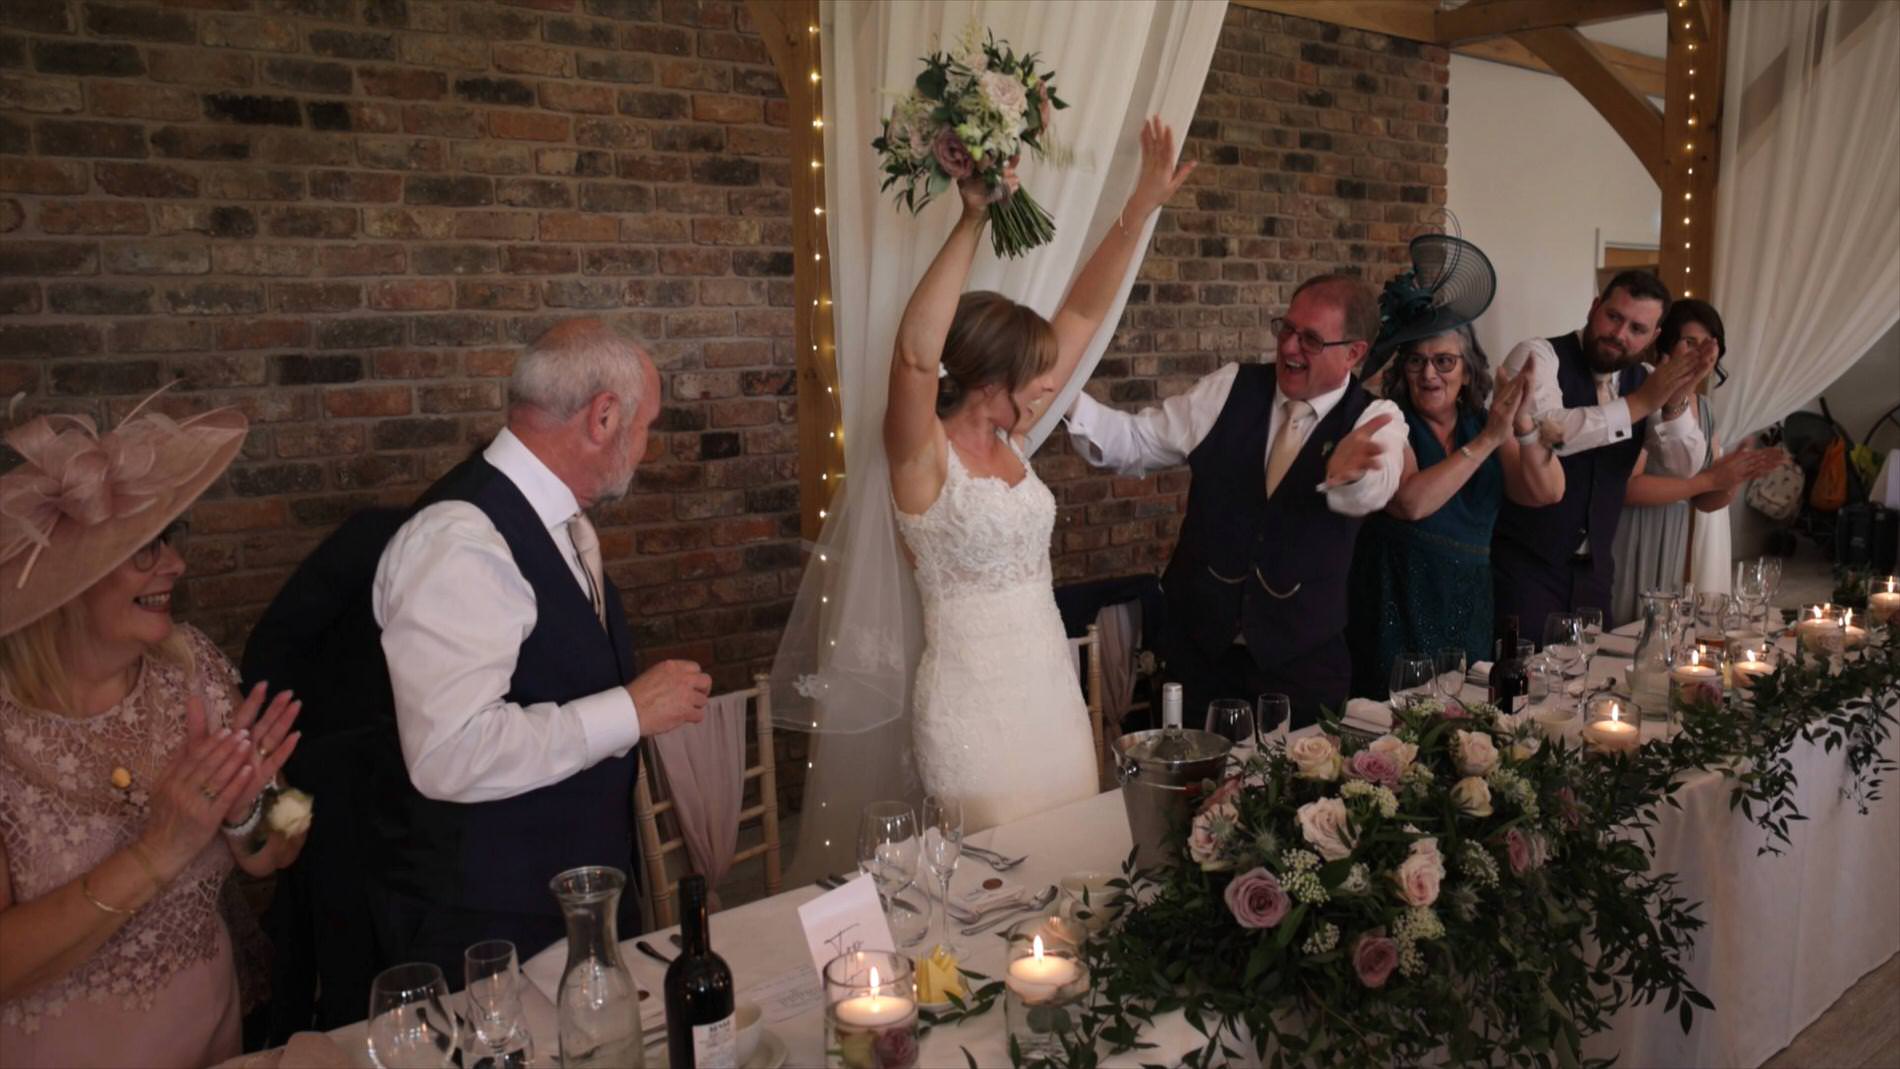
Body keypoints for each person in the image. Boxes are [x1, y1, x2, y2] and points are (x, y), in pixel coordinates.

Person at [369, 319, 711, 981]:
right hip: (490, 932)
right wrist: (629, 711)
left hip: (573, 910)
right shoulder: (460, 538)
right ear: (604, 417)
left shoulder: (558, 518)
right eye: (647, 425)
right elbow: (449, 752)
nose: (647, 446)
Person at [885, 117, 1194, 830]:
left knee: (1069, 865)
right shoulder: (922, 455)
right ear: (988, 377)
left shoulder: (1013, 436)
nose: (1050, 383)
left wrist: (1139, 209)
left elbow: (1085, 308)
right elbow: (911, 356)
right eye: (1032, 372)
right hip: (971, 710)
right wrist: (973, 218)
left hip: (1051, 697)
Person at [0, 400, 306, 1067]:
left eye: (173, 538)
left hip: (215, 1040)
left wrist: (253, 809)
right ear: (67, 579)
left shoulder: (189, 665)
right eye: (146, 549)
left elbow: (285, 834)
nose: (175, 565)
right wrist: (158, 850)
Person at [1067, 266, 1407, 729]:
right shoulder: (1230, 387)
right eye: (1286, 329)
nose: (1289, 347)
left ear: (1353, 353)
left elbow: (1375, 488)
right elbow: (1134, 441)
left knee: (1289, 798)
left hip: (1301, 670)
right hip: (1197, 656)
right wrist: (1062, 395)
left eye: (1310, 339)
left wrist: (1347, 477)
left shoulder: (1376, 417)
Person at [1347, 326, 1564, 698]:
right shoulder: (1387, 420)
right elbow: (1409, 503)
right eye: (1417, 361)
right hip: (1397, 597)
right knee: (1393, 722)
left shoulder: (1484, 424)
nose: (1429, 374)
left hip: (1468, 600)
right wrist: (1487, 441)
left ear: (1467, 372)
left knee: (1463, 713)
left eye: (1444, 361)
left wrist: (1523, 421)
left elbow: (1547, 491)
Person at [1492, 271, 1715, 632]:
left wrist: (1675, 399)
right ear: (1595, 307)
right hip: (1524, 566)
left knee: (1591, 681)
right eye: (1614, 317)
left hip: (1595, 573)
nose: (1620, 334)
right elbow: (1545, 429)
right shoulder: (1538, 355)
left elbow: (1684, 465)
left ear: (1654, 336)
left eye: (1637, 329)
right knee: (1521, 681)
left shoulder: (1644, 378)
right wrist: (1640, 403)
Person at [1608, 299, 1782, 622]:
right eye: (1690, 342)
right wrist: (1706, 481)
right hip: (1637, 530)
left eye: (1708, 344)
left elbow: (1706, 499)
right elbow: (1629, 488)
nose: (1700, 353)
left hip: (1678, 532)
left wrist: (1736, 474)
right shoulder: (1644, 395)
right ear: (1667, 345)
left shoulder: (1704, 408)